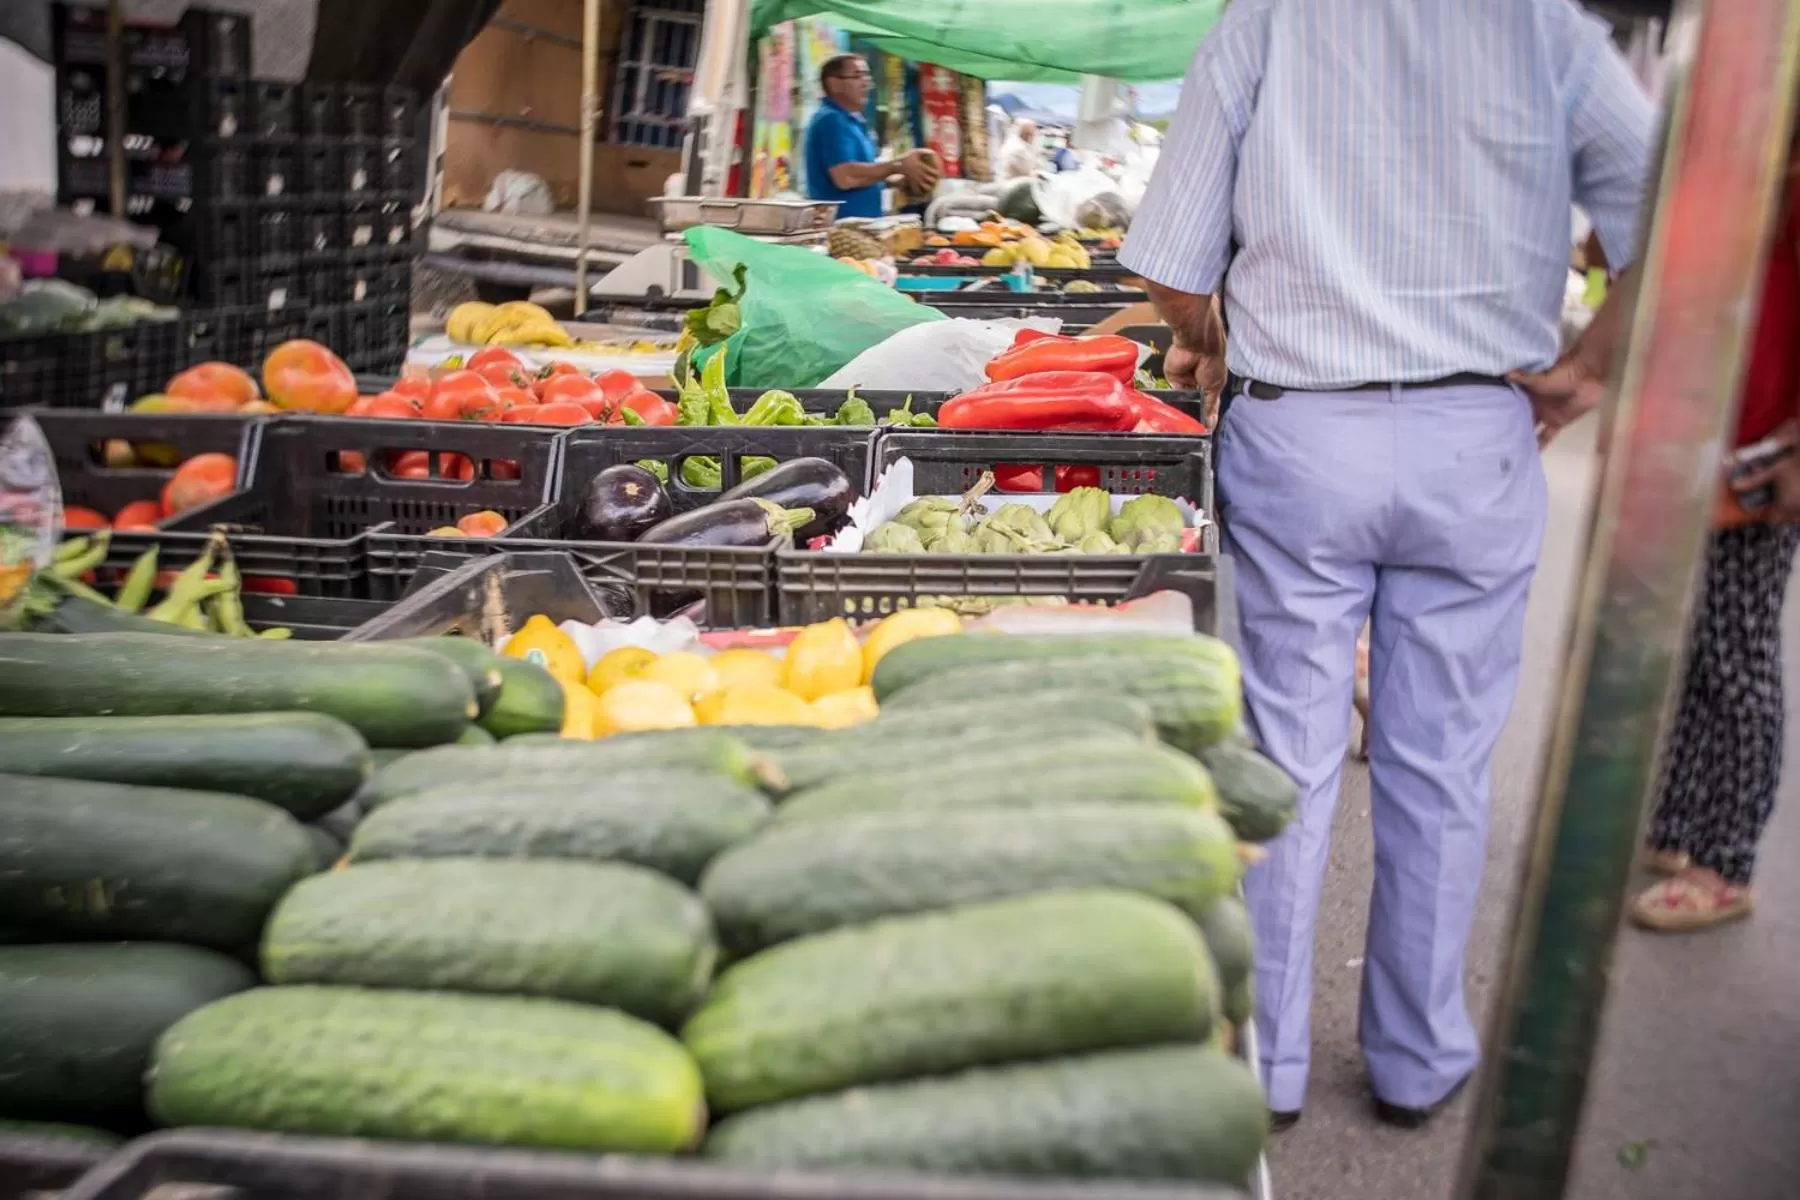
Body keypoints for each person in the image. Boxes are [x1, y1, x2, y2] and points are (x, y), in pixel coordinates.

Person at [1120, 0, 1654, 1131]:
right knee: (1442, 762)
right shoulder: (1547, 30)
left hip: (1302, 435)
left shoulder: (1266, 18)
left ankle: (1263, 1062)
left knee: (1288, 754)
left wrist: (1219, 337)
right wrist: (1590, 373)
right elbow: (1676, 220)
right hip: (1479, 434)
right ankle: (1415, 1058)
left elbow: (1170, 263)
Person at [1622, 133, 1800, 932]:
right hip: (1718, 431)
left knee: (1737, 656)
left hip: (1768, 445)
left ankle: (1724, 864)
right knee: (1701, 646)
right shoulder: (1758, 162)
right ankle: (1680, 825)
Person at [803, 54, 937, 219]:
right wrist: (899, 165)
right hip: (840, 229)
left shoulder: (854, 121)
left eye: (867, 76)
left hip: (863, 227)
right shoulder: (831, 120)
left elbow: (863, 174)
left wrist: (895, 181)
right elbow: (845, 177)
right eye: (858, 76)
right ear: (834, 84)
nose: (866, 83)